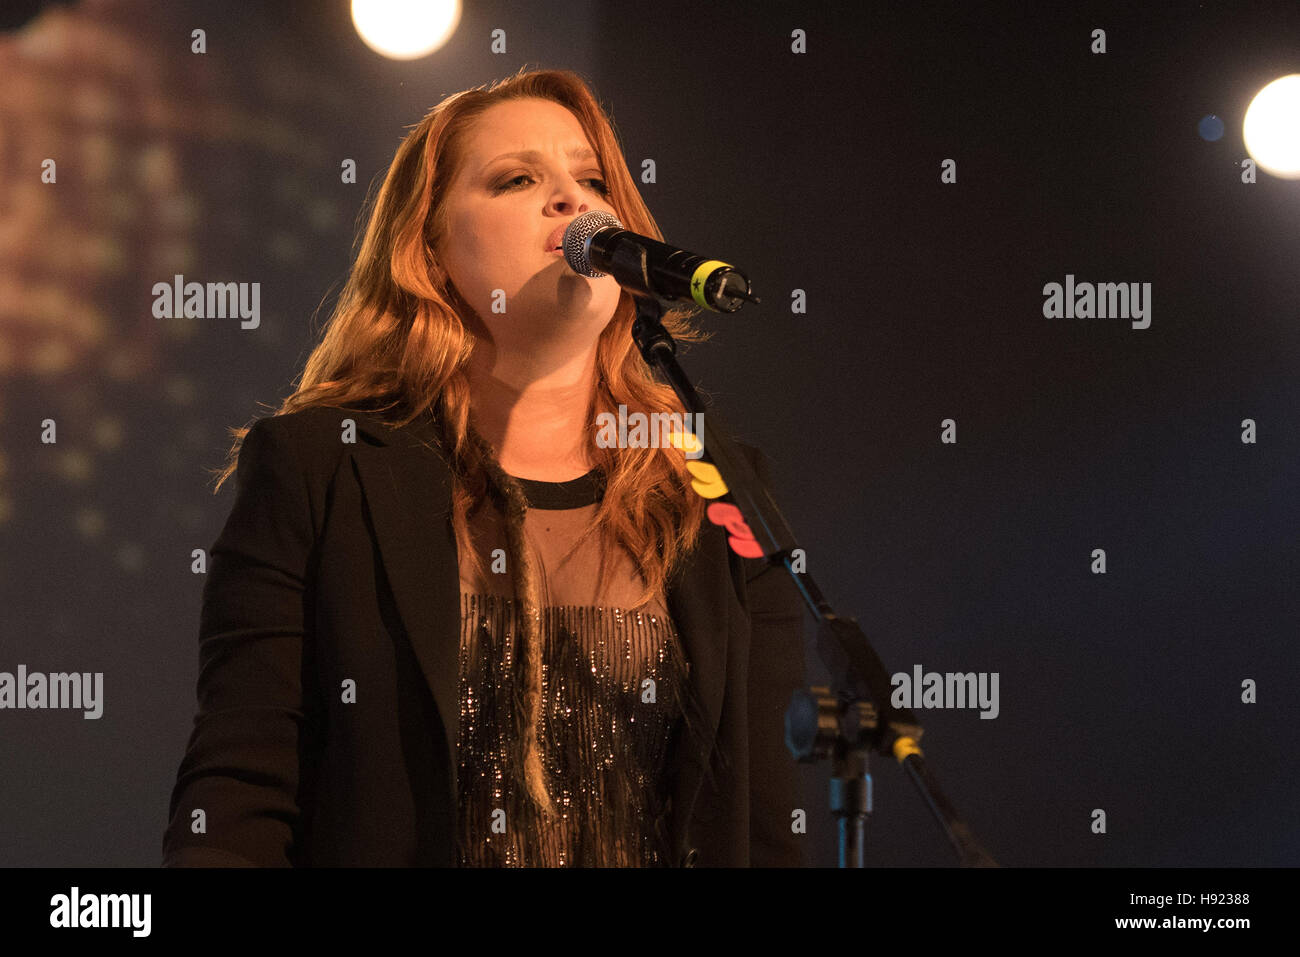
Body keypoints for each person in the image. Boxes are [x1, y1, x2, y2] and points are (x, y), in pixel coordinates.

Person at [162, 67, 808, 868]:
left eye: (592, 177)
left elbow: (768, 824)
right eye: (518, 179)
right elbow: (238, 800)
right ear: (430, 252)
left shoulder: (716, 491)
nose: (573, 200)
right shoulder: (321, 470)